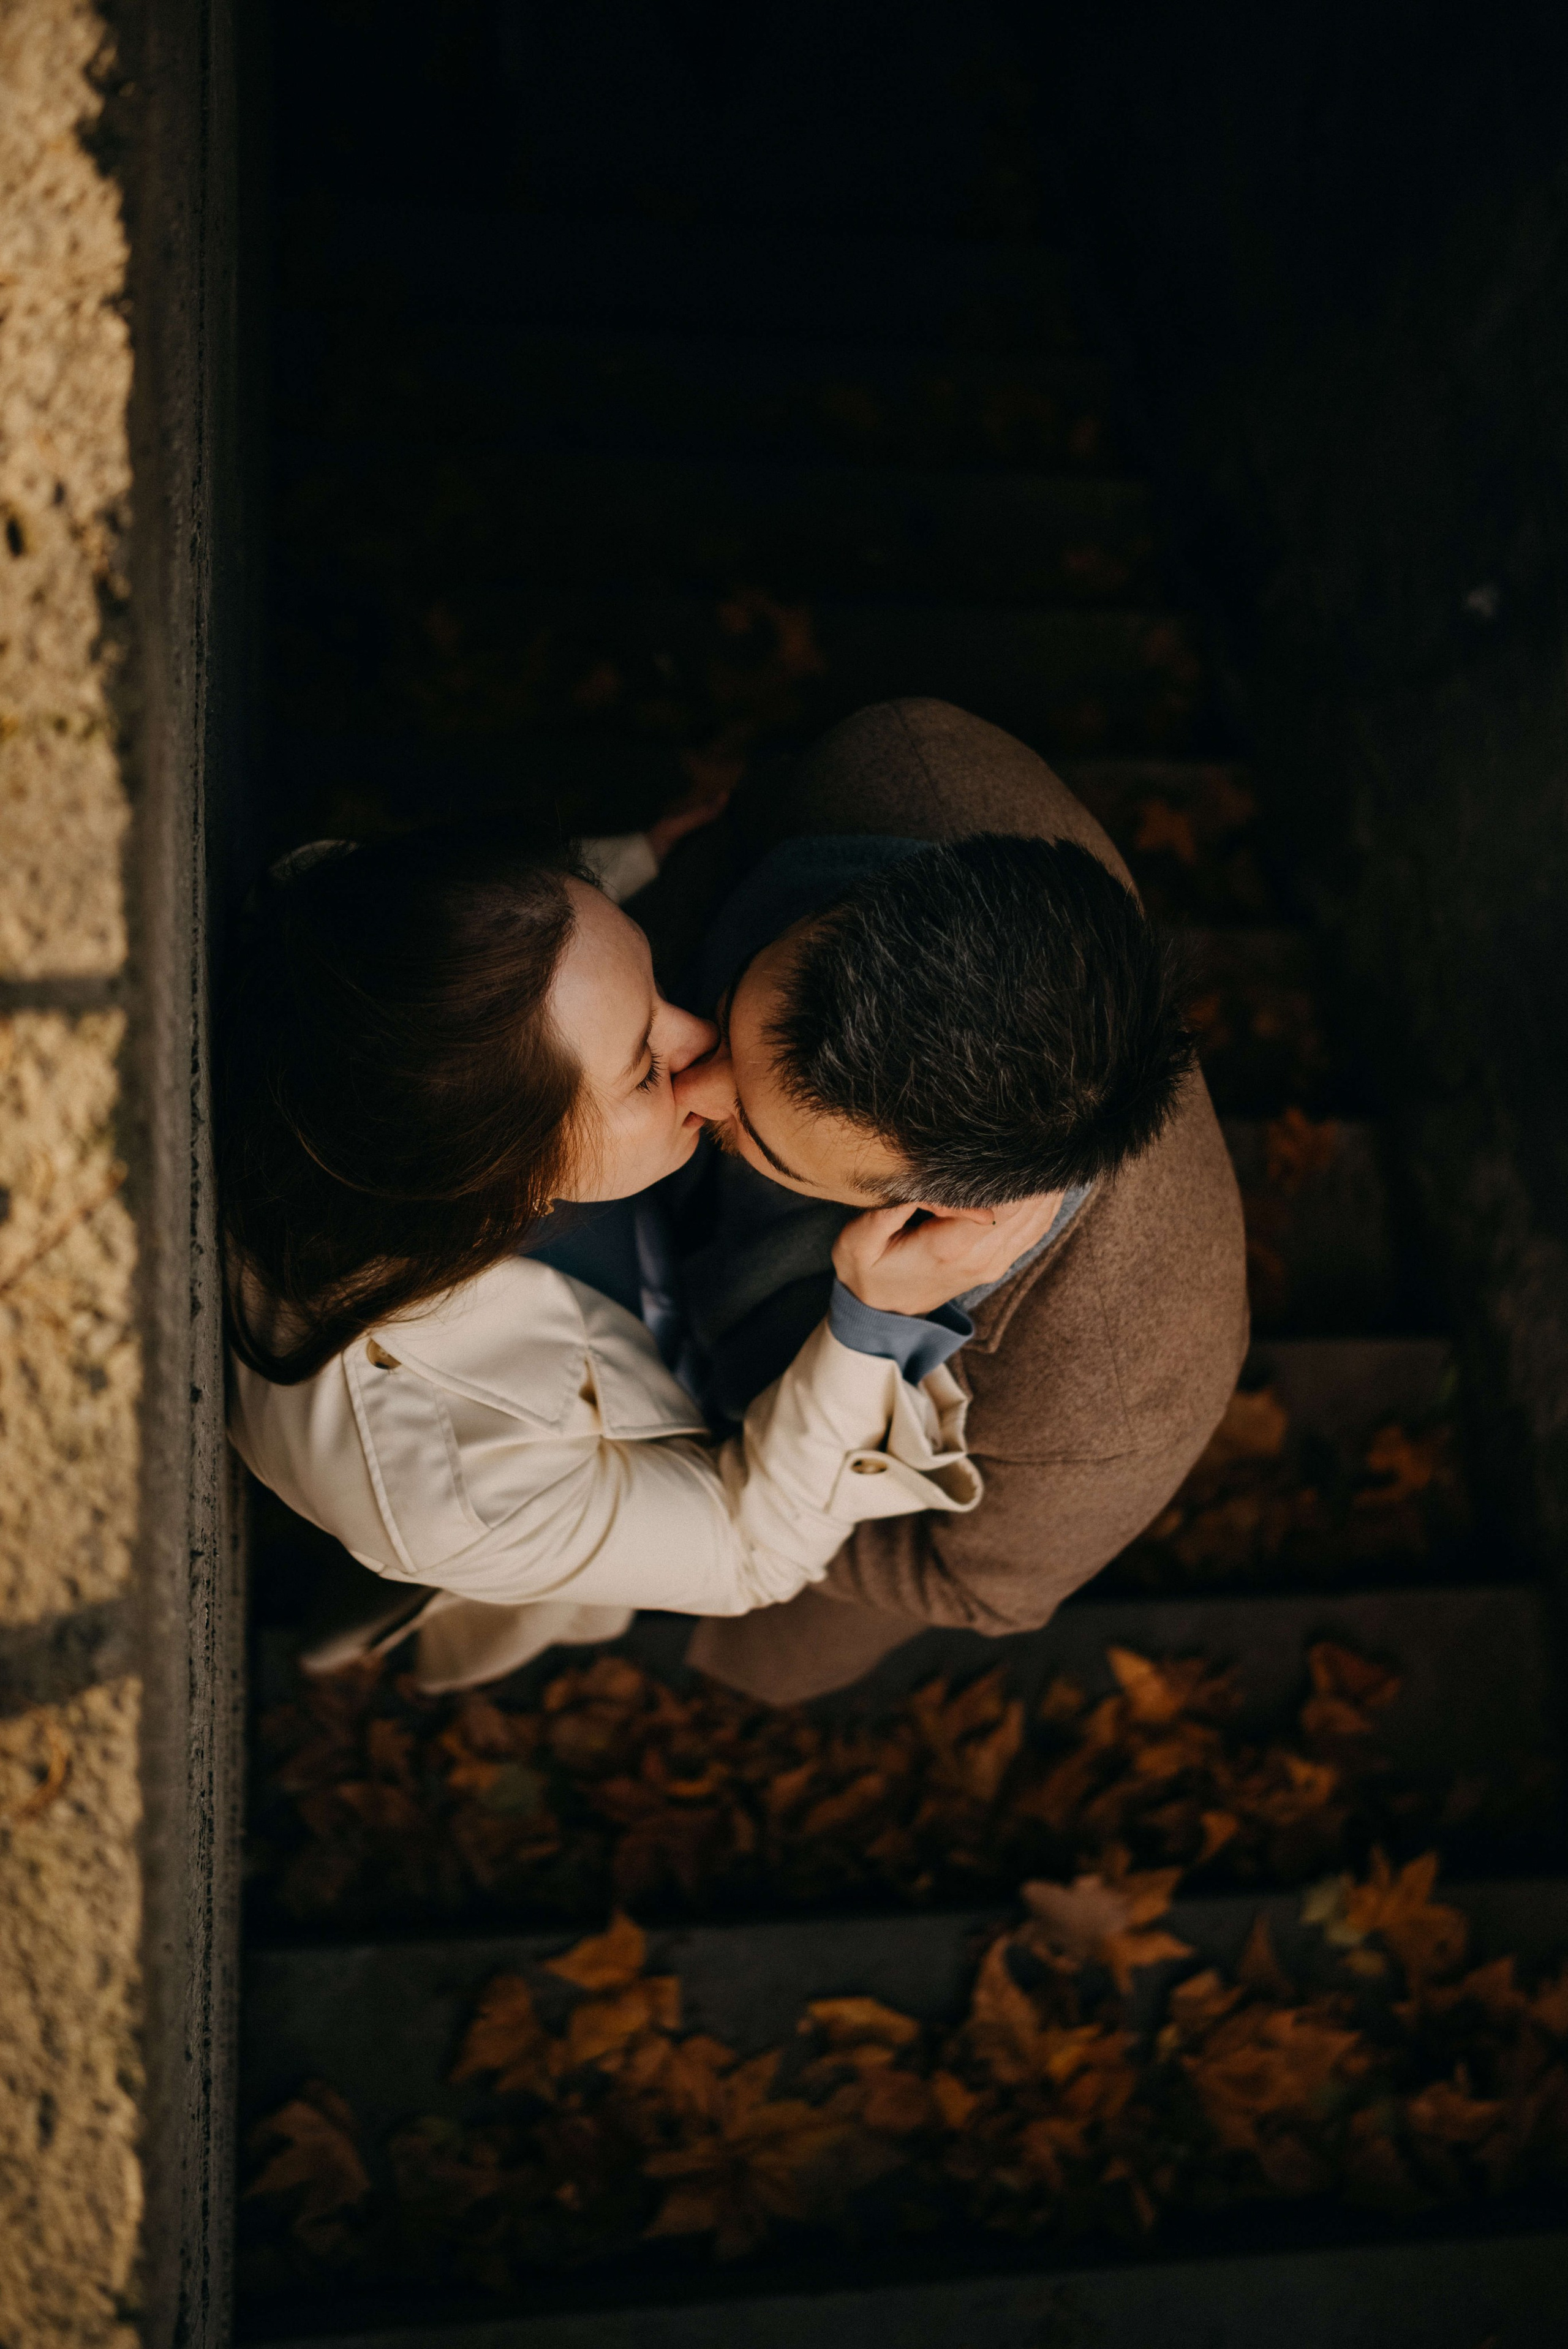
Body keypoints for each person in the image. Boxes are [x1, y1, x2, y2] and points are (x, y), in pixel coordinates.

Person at [220, 808, 1009, 1692]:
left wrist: (633, 862)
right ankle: (390, 1605)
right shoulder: (457, 1496)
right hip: (547, 1501)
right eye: (644, 1068)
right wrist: (877, 1325)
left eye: (651, 985)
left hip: (637, 1281)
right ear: (503, 1180)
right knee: (451, 1569)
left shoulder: (339, 925)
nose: (700, 1044)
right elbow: (746, 1554)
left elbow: (499, 960)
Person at [644, 697, 1250, 1704]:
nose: (683, 1092)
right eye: (731, 1013)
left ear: (944, 1211)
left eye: (756, 1128)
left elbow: (975, 1586)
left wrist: (692, 1509)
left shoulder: (1114, 1402)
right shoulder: (897, 762)